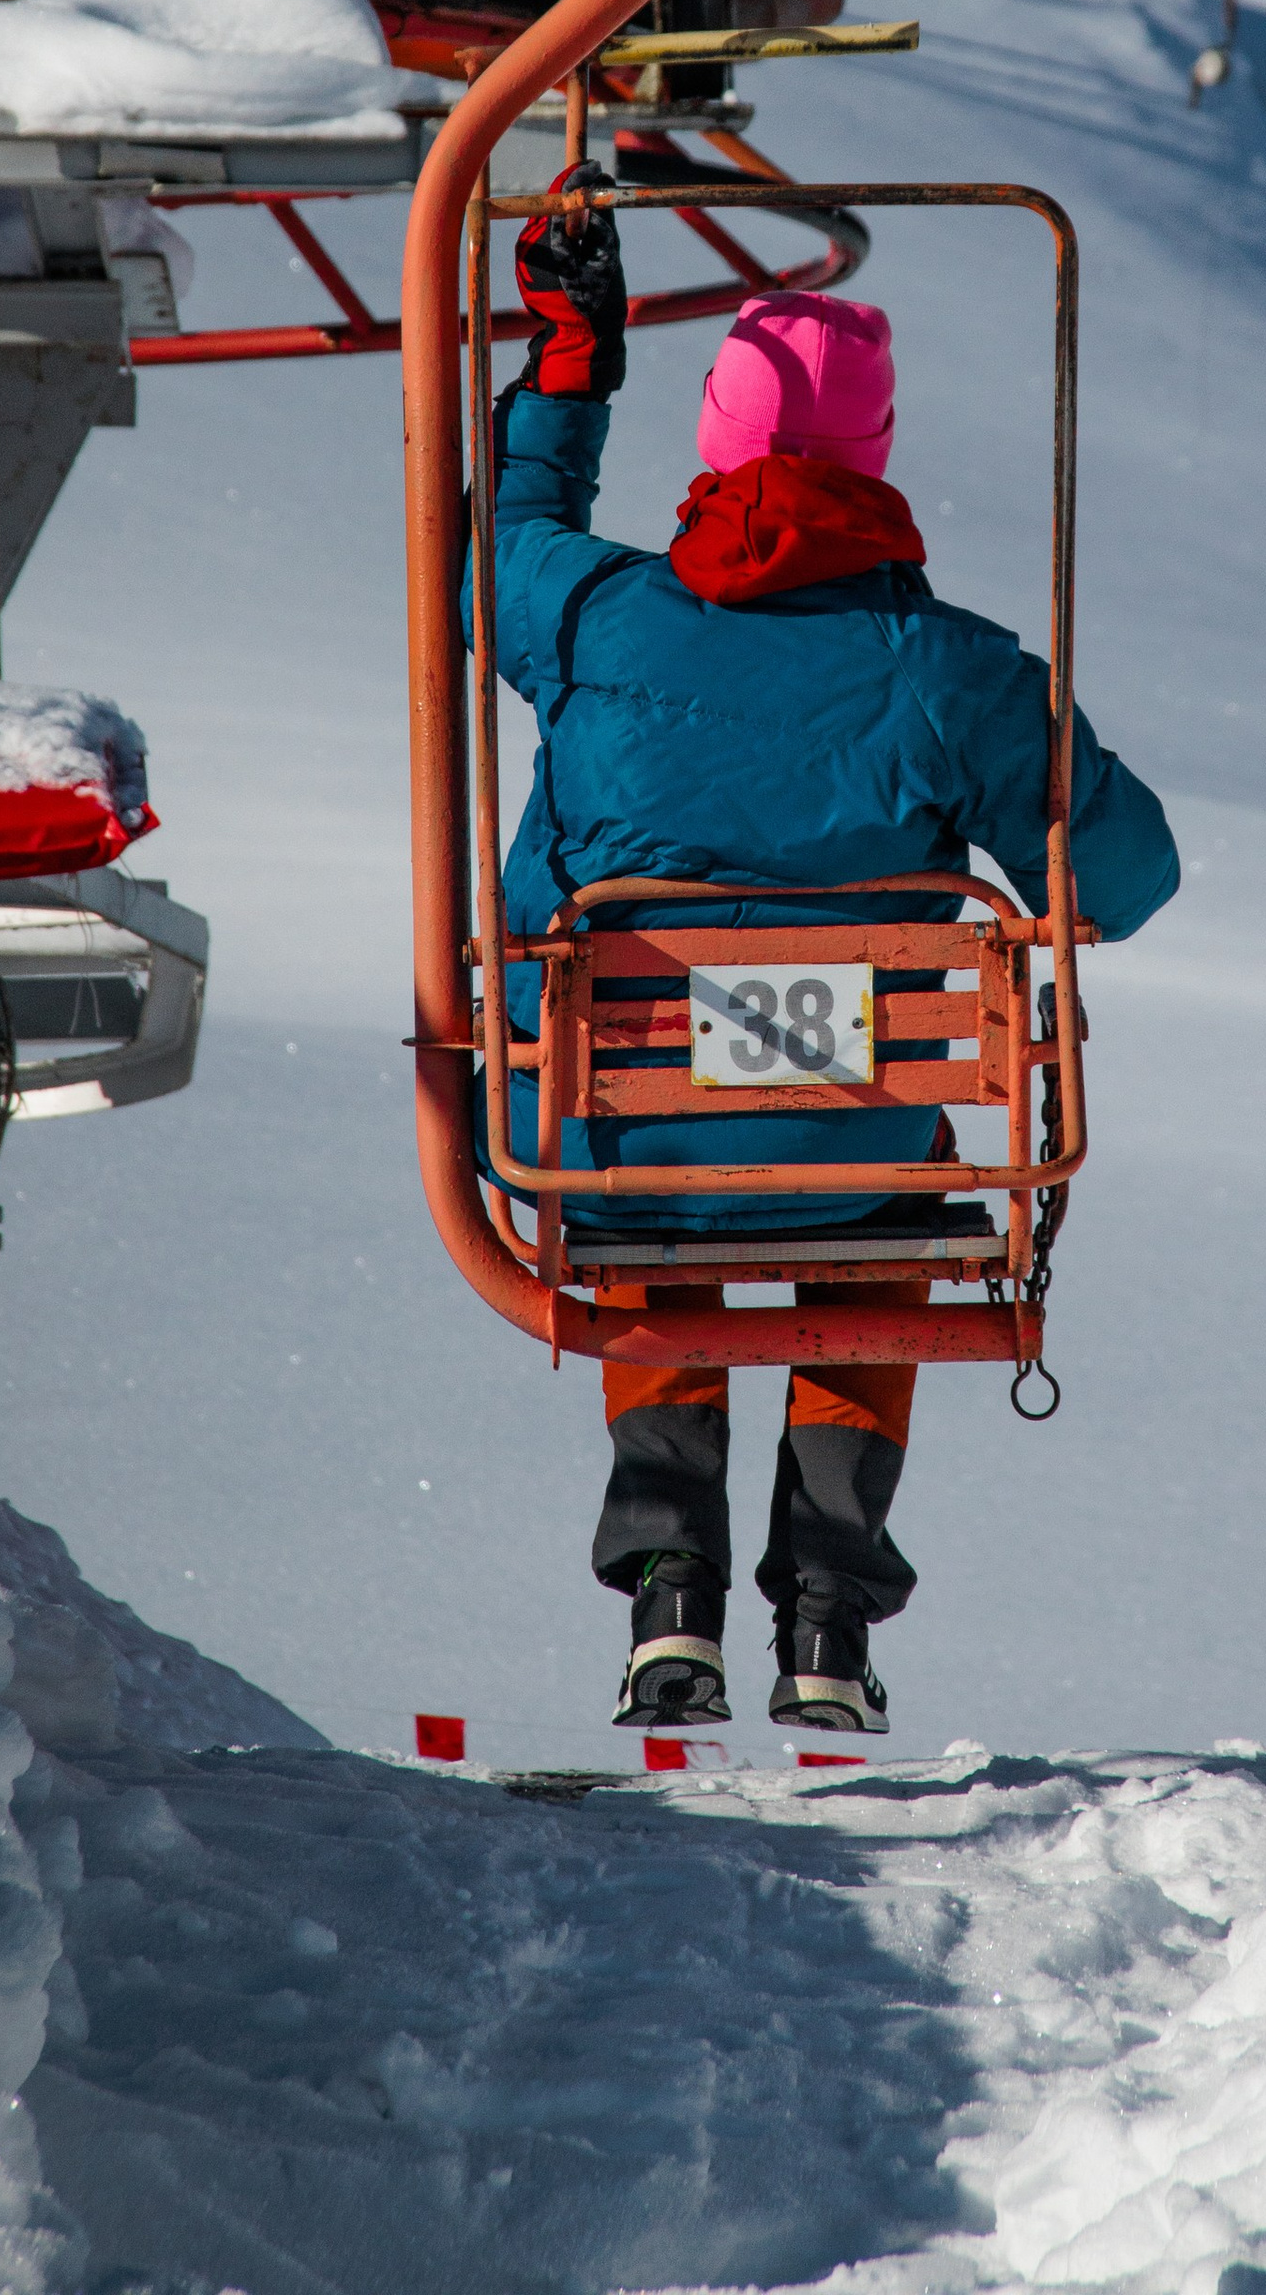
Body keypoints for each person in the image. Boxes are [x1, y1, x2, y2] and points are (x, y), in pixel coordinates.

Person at [482, 169, 1179, 1736]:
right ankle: (827, 1615)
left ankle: (673, 1601)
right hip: (856, 1139)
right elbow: (1125, 880)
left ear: (716, 446)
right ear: (874, 459)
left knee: (647, 1199)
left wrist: (572, 369)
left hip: (616, 1133)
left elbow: (495, 541)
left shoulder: (591, 615)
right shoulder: (948, 668)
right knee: (882, 1204)